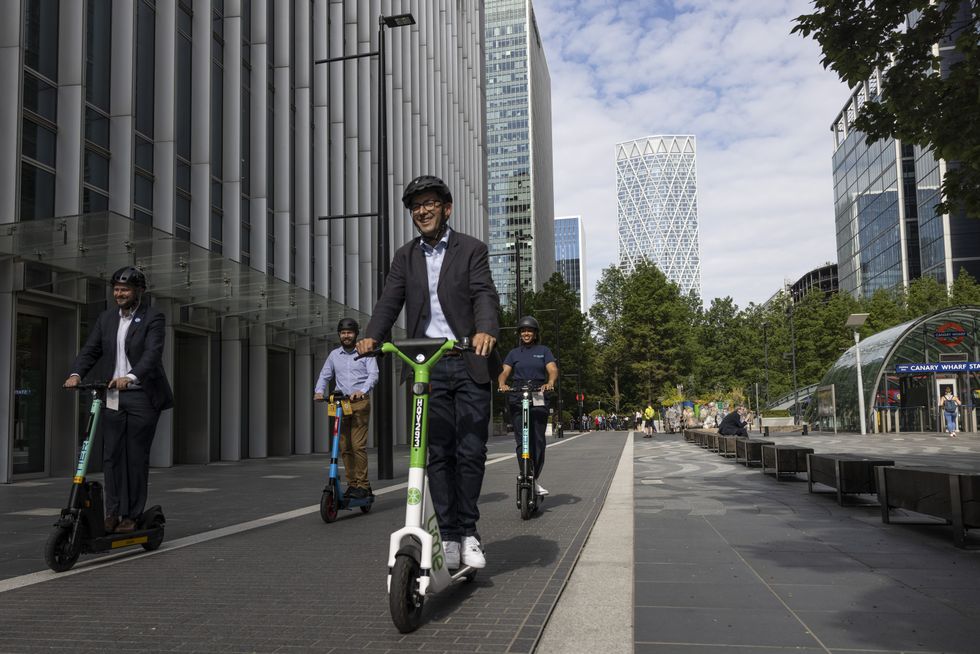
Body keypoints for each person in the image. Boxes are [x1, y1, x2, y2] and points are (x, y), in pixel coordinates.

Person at [356, 175, 499, 570]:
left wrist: (485, 329)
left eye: (430, 203)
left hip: (468, 358)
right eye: (416, 206)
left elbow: (484, 293)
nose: (422, 210)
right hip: (428, 364)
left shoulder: (471, 249)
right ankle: (448, 536)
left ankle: (468, 532)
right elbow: (390, 300)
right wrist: (372, 337)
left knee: (470, 451)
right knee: (437, 453)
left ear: (446, 208)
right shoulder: (405, 258)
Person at [63, 266, 173, 534]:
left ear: (138, 291)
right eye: (116, 289)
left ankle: (132, 515)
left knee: (134, 456)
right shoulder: (107, 318)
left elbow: (152, 354)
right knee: (111, 456)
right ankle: (112, 512)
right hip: (112, 395)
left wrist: (131, 376)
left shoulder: (152, 318)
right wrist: (76, 373)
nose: (119, 294)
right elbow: (91, 349)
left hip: (141, 396)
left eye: (125, 289)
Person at [314, 318, 379, 498]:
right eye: (343, 333)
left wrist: (362, 390)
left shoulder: (366, 353)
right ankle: (352, 484)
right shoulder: (334, 355)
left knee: (357, 445)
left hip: (359, 402)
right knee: (344, 446)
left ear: (356, 334)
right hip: (341, 404)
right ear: (339, 335)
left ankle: (364, 486)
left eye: (349, 332)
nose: (346, 336)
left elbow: (373, 375)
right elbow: (325, 375)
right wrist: (319, 391)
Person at [498, 316, 558, 497]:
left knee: (538, 440)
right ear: (519, 334)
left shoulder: (543, 351)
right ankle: (525, 473)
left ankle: (535, 478)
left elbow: (552, 369)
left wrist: (550, 382)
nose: (526, 333)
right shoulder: (514, 353)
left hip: (538, 392)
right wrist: (502, 383)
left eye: (529, 331)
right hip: (517, 394)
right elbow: (504, 372)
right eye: (523, 331)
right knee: (522, 440)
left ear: (535, 333)